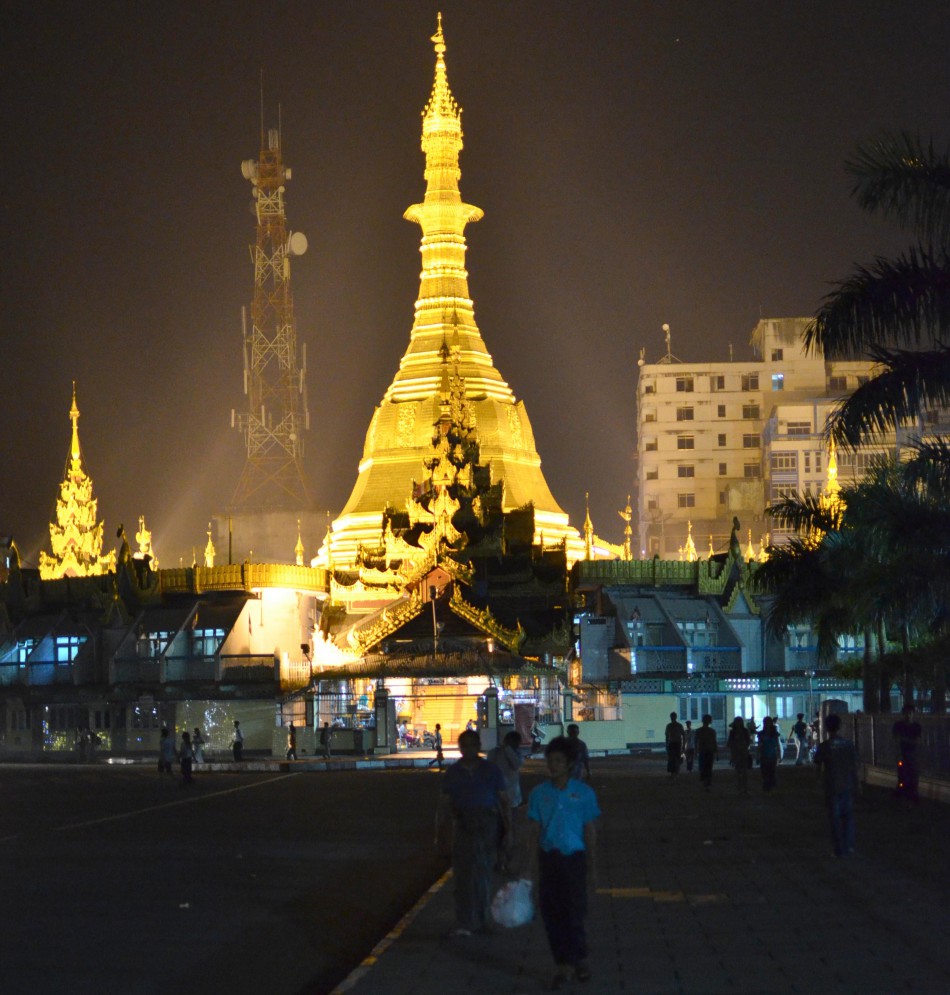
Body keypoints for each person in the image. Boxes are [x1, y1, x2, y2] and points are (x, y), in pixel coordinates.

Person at [527, 735, 601, 990]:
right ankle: (562, 965)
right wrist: (531, 868)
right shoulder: (539, 794)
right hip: (549, 860)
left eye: (559, 760)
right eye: (551, 760)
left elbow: (589, 831)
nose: (553, 765)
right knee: (551, 914)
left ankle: (578, 959)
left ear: (570, 764)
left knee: (574, 912)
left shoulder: (583, 793)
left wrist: (592, 867)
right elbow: (535, 832)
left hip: (574, 859)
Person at [435, 729, 511, 937]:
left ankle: (484, 919)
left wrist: (508, 829)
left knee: (484, 874)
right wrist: (440, 834)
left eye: (472, 745)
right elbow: (444, 805)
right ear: (460, 748)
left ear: (478, 746)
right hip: (463, 825)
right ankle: (464, 921)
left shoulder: (491, 771)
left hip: (487, 825)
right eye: (464, 745)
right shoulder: (453, 773)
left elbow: (504, 800)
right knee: (462, 876)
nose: (468, 749)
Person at [813, 712, 858, 857]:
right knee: (848, 817)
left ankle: (838, 848)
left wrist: (818, 782)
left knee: (834, 819)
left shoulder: (825, 746)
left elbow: (818, 766)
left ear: (827, 728)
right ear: (839, 726)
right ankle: (849, 845)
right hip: (847, 783)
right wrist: (857, 783)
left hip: (831, 784)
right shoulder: (848, 745)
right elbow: (853, 765)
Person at [892, 704, 922, 804]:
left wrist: (903, 740)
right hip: (902, 753)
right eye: (906, 713)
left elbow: (917, 741)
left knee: (913, 774)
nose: (908, 716)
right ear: (903, 714)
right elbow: (895, 740)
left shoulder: (916, 727)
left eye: (910, 713)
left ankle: (913, 792)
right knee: (902, 773)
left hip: (912, 754)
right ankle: (901, 789)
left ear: (913, 714)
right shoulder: (898, 725)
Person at [727, 717, 751, 795]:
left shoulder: (742, 731)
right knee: (739, 771)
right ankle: (740, 788)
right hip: (737, 753)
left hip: (742, 753)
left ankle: (744, 788)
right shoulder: (733, 732)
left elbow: (748, 741)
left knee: (743, 772)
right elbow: (730, 743)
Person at [695, 714, 718, 791]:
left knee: (703, 767)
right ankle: (707, 782)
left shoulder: (698, 731)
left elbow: (696, 742)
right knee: (708, 768)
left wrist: (696, 751)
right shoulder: (712, 731)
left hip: (703, 751)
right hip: (709, 751)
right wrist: (716, 752)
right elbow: (714, 742)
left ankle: (705, 782)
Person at [757, 717, 780, 792]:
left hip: (772, 755)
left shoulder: (773, 734)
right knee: (765, 772)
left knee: (771, 772)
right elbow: (759, 745)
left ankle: (770, 787)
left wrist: (779, 754)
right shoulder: (761, 734)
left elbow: (777, 744)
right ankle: (768, 787)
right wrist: (758, 755)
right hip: (765, 755)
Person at [664, 712, 685, 778]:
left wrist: (683, 745)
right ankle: (675, 771)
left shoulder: (670, 726)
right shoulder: (677, 725)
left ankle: (675, 771)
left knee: (674, 758)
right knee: (673, 758)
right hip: (674, 743)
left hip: (675, 743)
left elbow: (667, 736)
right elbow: (667, 736)